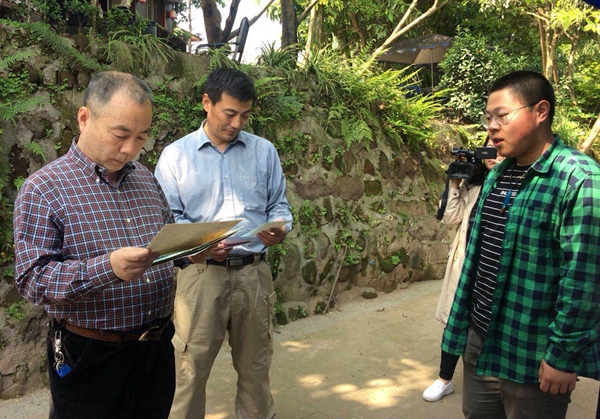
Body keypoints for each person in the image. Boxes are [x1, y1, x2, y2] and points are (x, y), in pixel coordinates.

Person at [13, 71, 177, 419]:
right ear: (85, 118)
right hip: (91, 354)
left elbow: (166, 238)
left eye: (141, 137)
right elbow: (32, 279)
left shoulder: (145, 179)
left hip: (156, 348)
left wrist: (194, 251)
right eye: (121, 135)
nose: (130, 149)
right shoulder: (43, 188)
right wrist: (107, 269)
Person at [441, 70, 600, 419]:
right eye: (488, 118)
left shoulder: (579, 179)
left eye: (502, 116)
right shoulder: (498, 173)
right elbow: (478, 261)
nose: (491, 127)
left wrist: (562, 357)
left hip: (532, 354)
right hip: (480, 340)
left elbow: (584, 282)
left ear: (540, 111)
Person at [154, 67, 292, 419]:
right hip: (201, 277)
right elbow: (168, 219)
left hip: (253, 277)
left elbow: (279, 205)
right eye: (230, 113)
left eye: (245, 115)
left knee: (256, 369)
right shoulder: (175, 156)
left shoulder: (264, 152)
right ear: (207, 103)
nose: (237, 123)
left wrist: (280, 228)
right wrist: (199, 246)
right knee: (189, 372)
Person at [423, 137, 504, 402]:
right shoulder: (474, 186)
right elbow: (450, 218)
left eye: (499, 149)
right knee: (455, 321)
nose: (494, 154)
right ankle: (444, 379)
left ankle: (493, 381)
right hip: (466, 265)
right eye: (489, 148)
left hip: (495, 270)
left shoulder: (517, 186)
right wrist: (454, 183)